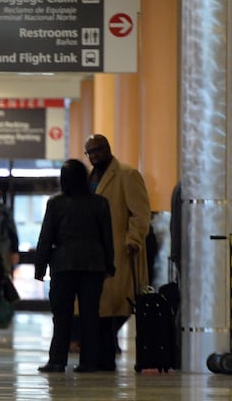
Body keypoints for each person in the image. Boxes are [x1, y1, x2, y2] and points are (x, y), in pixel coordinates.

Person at [34, 159, 115, 373]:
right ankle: (89, 362)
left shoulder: (56, 203)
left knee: (62, 315)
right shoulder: (100, 203)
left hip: (63, 263)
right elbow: (107, 237)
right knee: (90, 315)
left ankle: (57, 361)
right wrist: (110, 264)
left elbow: (46, 237)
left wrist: (40, 267)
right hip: (93, 264)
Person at [84, 134, 151, 370]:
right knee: (100, 306)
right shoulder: (89, 176)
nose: (94, 156)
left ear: (108, 149)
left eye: (98, 151)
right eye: (90, 153)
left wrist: (133, 239)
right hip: (95, 251)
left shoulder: (127, 174)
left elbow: (141, 213)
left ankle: (107, 350)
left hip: (121, 250)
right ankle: (104, 351)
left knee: (118, 304)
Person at [0, 185, 20, 275]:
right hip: (4, 247)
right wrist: (15, 251)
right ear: (0, 196)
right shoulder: (6, 210)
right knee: (5, 274)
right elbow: (13, 232)